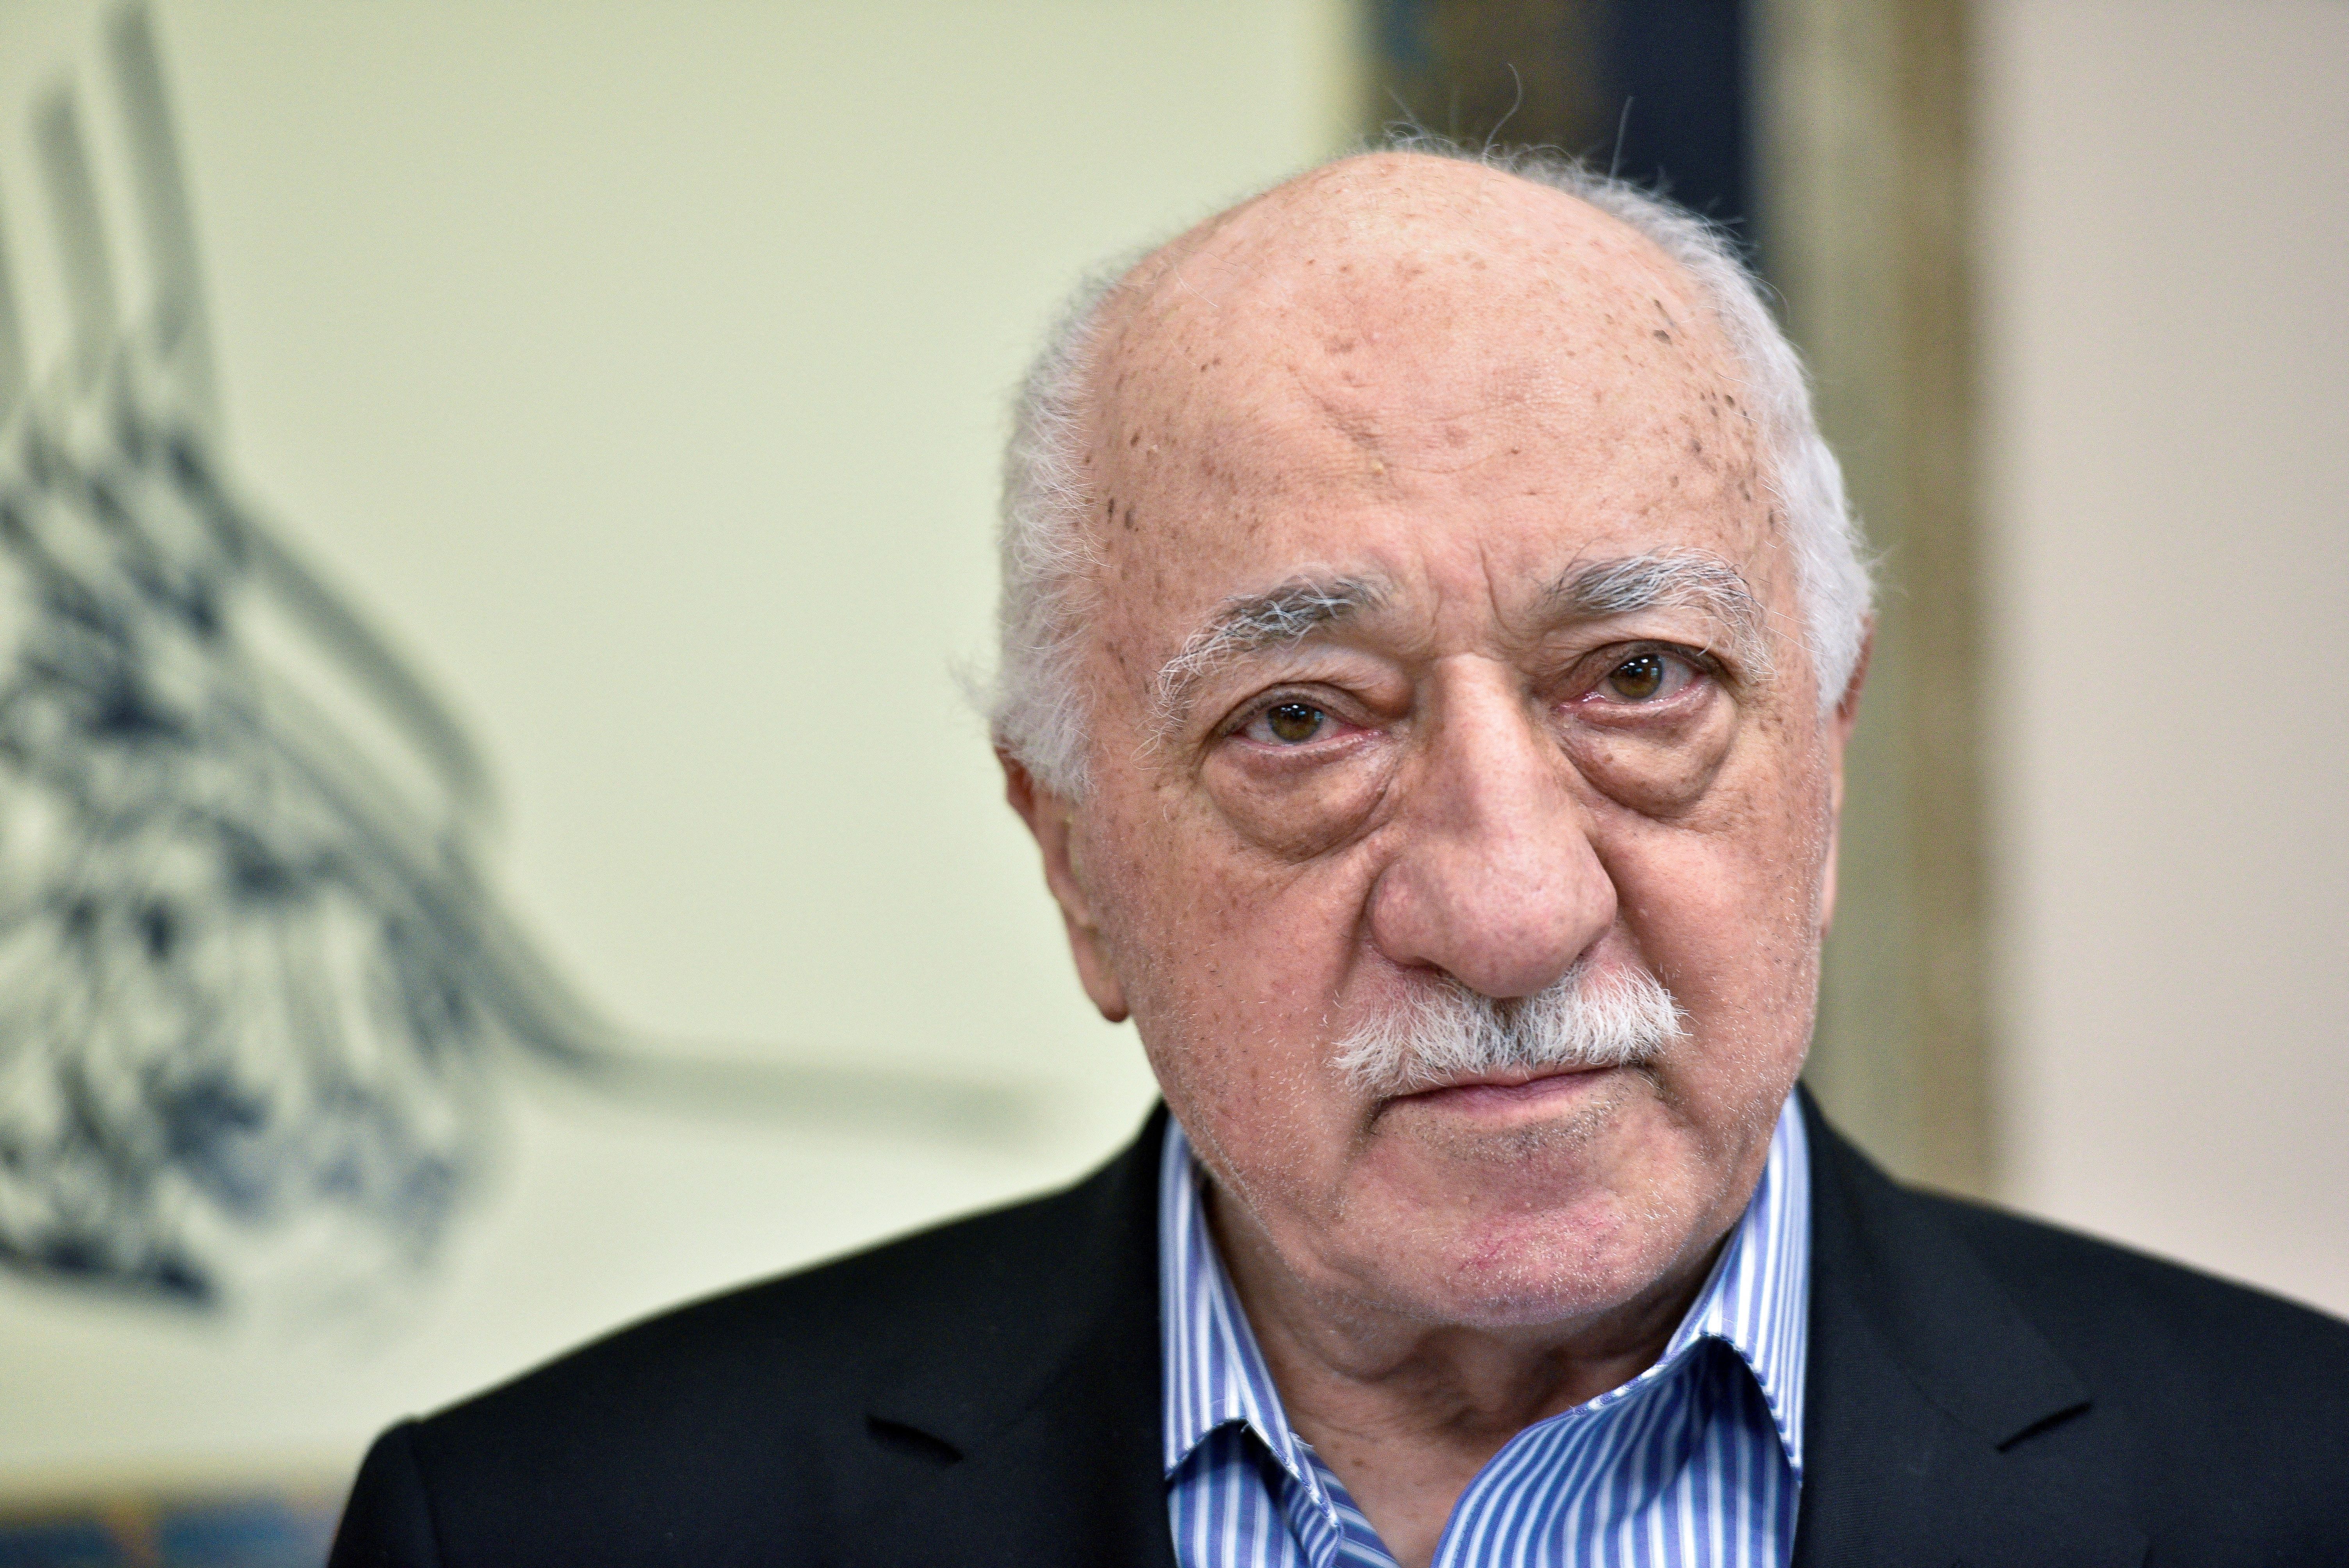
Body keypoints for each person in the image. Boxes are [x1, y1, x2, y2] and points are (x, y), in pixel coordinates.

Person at [328, 147, 2349, 1567]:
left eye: (1639, 679)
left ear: (1822, 757)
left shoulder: (2304, 1486)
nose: (1510, 908)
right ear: (1075, 870)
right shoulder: (541, 1526)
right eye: (1300, 720)